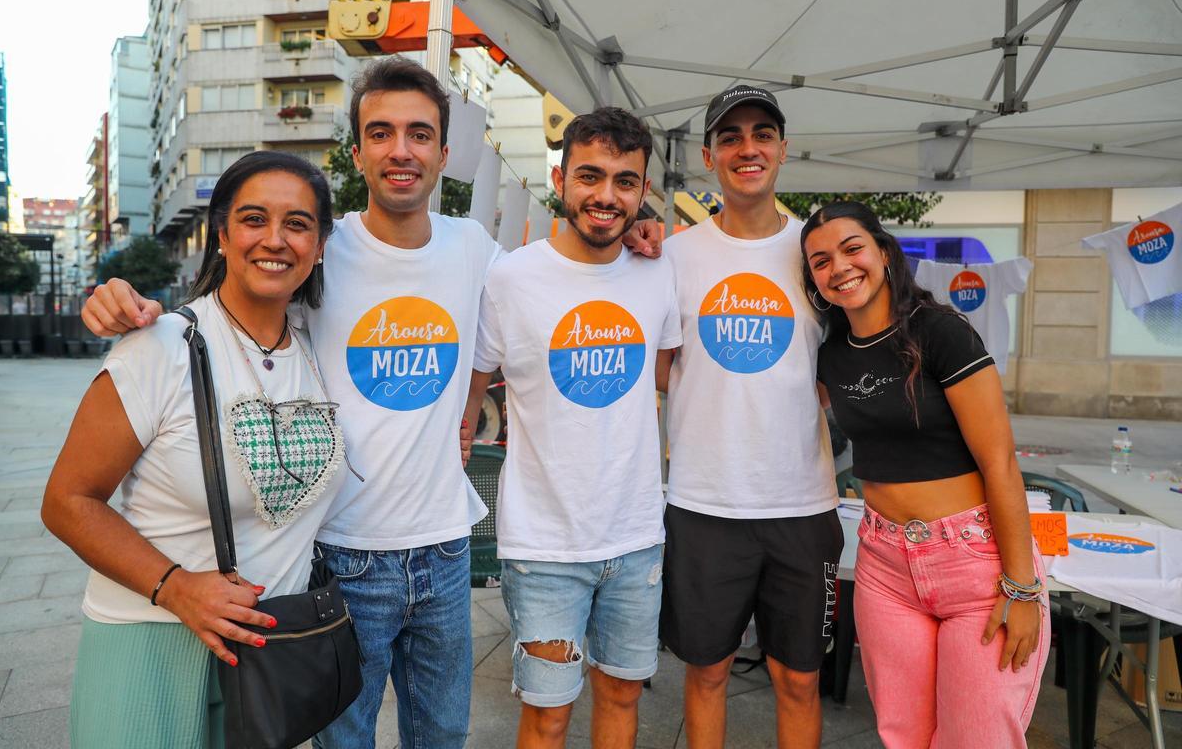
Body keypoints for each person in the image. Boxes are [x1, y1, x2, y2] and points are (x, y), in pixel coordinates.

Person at [79, 57, 662, 749]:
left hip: (446, 548)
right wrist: (127, 300)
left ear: (443, 153)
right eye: (381, 133)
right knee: (344, 741)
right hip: (341, 553)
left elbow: (564, 269)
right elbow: (238, 300)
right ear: (357, 153)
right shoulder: (320, 249)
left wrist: (637, 226)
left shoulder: (475, 249)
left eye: (420, 134)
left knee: (442, 738)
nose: (401, 150)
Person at [42, 151, 344, 747]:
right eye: (254, 219)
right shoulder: (160, 347)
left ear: (319, 246)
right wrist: (177, 587)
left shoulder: (318, 352)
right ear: (222, 236)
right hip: (150, 641)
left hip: (269, 656)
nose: (275, 240)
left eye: (297, 223)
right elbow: (67, 501)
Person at [463, 108, 680, 748]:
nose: (606, 195)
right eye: (590, 176)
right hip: (544, 546)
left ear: (643, 191)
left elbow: (671, 376)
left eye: (624, 181)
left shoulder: (658, 271)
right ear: (560, 179)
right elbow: (471, 393)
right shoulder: (511, 278)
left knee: (621, 695)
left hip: (636, 535)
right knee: (548, 714)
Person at [801, 201, 1048, 747]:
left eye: (852, 249)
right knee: (904, 736)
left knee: (977, 738)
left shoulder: (940, 332)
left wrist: (1023, 588)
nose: (839, 267)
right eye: (820, 261)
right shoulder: (832, 354)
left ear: (885, 252)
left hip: (975, 562)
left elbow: (1000, 462)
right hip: (884, 565)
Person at [655, 85, 841, 749]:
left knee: (799, 680)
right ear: (709, 157)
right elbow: (660, 369)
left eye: (762, 133)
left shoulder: (817, 253)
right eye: (730, 137)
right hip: (704, 503)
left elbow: (846, 360)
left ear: (783, 149)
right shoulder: (674, 255)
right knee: (707, 673)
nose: (747, 148)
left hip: (801, 505)